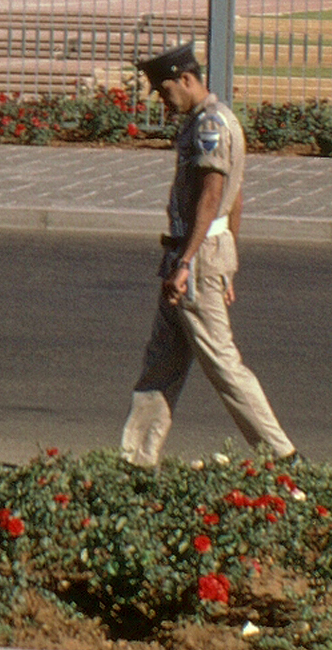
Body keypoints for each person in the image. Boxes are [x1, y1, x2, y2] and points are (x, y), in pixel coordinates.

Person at [120, 43, 296, 466]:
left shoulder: (210, 125)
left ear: (187, 79)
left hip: (193, 259)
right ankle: (136, 461)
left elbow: (214, 195)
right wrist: (226, 265)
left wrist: (187, 263)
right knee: (161, 362)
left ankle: (281, 455)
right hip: (193, 255)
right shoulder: (211, 120)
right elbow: (236, 202)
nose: (163, 101)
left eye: (165, 92)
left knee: (222, 363)